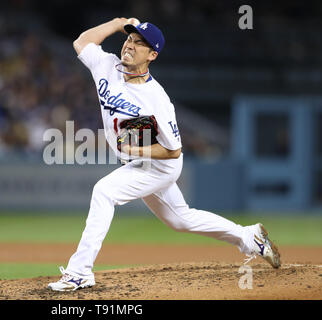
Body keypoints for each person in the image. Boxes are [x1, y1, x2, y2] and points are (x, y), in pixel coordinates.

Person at [48, 17, 281, 291]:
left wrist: (136, 149)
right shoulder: (106, 65)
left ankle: (80, 272)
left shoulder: (156, 99)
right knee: (180, 219)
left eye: (140, 44)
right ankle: (249, 237)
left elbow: (173, 150)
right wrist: (118, 23)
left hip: (158, 165)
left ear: (152, 55)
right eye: (130, 39)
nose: (130, 45)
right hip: (138, 161)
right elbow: (82, 42)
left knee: (104, 191)